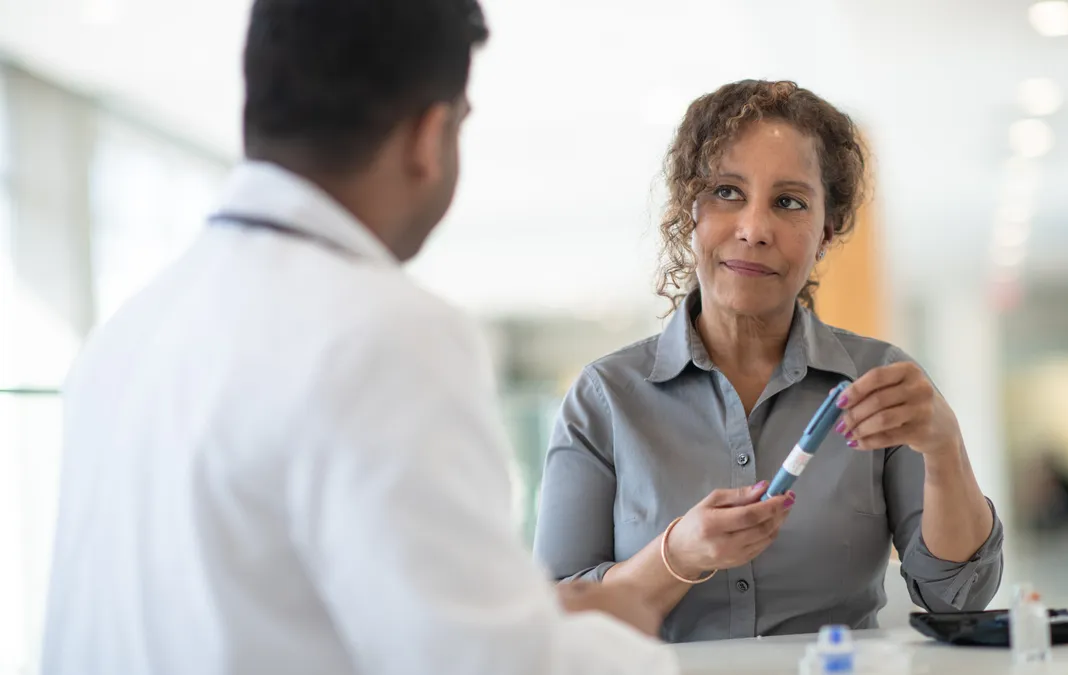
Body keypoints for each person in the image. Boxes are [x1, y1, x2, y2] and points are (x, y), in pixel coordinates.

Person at [40, 1, 677, 674]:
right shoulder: (387, 334)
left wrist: (528, 618)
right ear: (429, 137)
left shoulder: (125, 332)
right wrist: (623, 628)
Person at [533, 80, 1004, 643]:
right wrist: (676, 554)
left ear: (825, 235)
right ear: (691, 214)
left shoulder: (878, 384)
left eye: (789, 202)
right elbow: (560, 614)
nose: (754, 229)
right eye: (728, 192)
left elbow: (958, 597)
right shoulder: (605, 398)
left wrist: (945, 449)